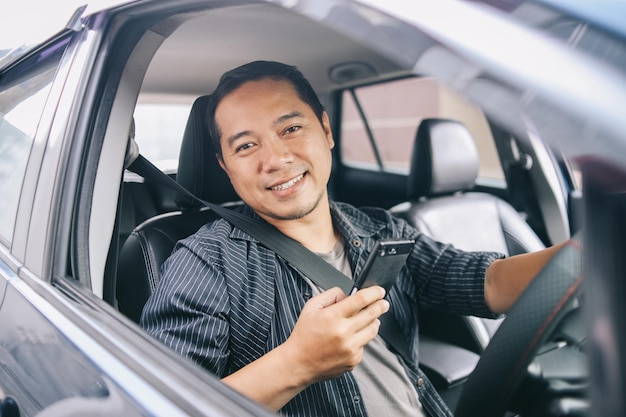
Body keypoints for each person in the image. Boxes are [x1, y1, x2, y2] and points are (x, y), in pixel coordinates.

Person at [140, 60, 567, 417]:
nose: (276, 159)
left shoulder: (381, 228)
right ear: (225, 166)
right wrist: (297, 364)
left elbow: (488, 282)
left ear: (326, 130)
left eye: (290, 129)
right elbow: (160, 405)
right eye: (246, 146)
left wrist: (590, 256)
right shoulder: (204, 265)